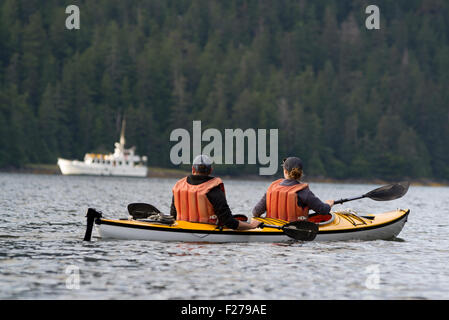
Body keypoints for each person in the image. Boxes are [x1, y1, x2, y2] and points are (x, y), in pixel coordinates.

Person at [170, 154, 263, 230]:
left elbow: (172, 216)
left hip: (180, 228)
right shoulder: (213, 189)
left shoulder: (179, 186)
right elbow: (229, 222)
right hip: (208, 231)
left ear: (193, 169)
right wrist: (252, 226)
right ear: (210, 170)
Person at [252, 157, 334, 222]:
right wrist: (329, 204)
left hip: (271, 228)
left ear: (285, 171)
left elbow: (256, 212)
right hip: (295, 231)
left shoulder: (272, 188)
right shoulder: (304, 192)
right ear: (301, 173)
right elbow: (323, 210)